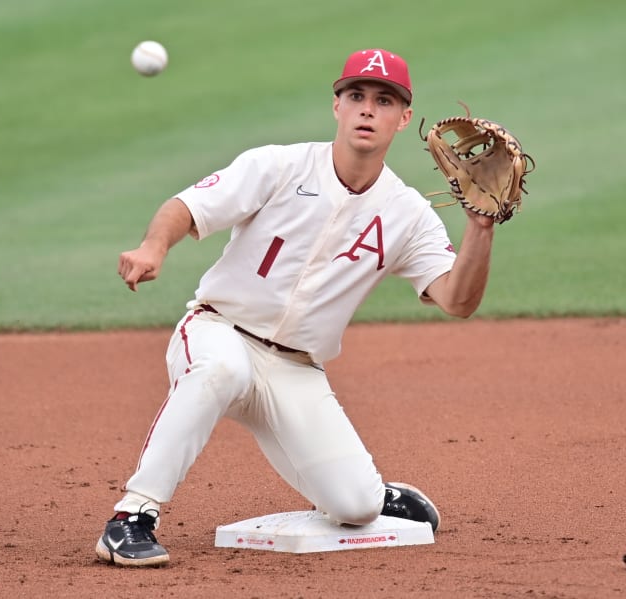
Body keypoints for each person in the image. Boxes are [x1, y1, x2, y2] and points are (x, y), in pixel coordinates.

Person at [97, 48, 496, 567]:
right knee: (219, 369)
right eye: (356, 96)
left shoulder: (408, 214)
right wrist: (154, 247)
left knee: (355, 507)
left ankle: (375, 493)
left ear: (403, 118)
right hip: (221, 331)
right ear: (337, 107)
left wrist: (480, 228)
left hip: (295, 368)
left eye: (383, 100)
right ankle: (132, 516)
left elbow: (457, 300)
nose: (367, 110)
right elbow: (187, 206)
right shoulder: (280, 165)